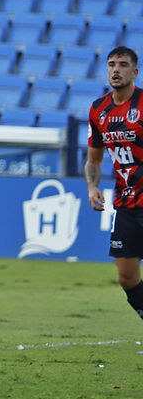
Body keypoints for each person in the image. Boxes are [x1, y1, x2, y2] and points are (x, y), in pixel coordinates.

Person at [85, 46, 143, 326]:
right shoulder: (98, 109)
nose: (116, 69)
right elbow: (94, 159)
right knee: (127, 278)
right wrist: (92, 187)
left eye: (122, 64)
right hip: (126, 206)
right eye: (111, 64)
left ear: (135, 71)